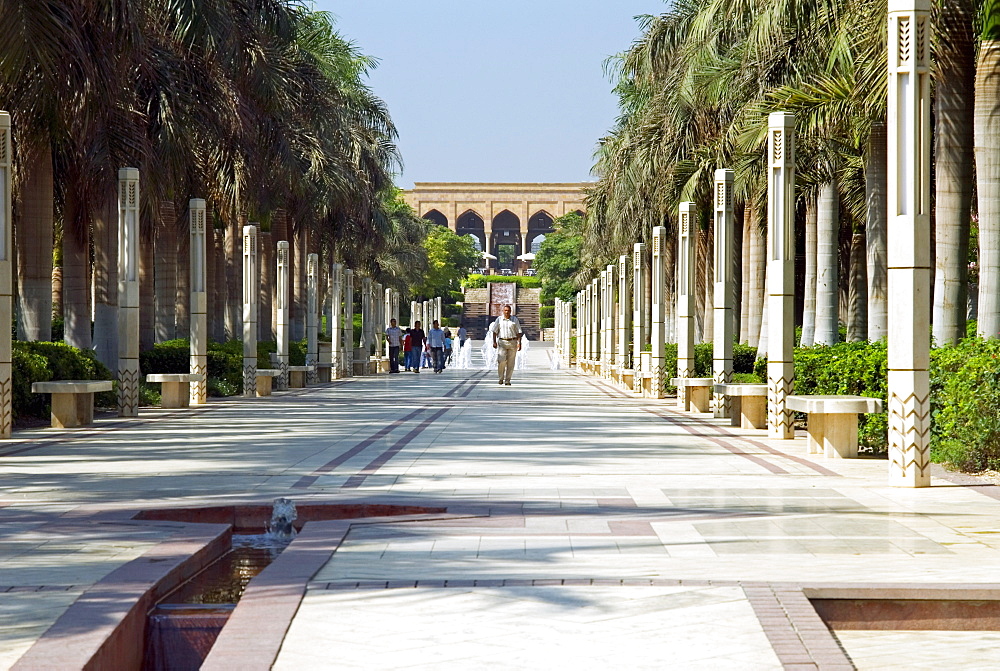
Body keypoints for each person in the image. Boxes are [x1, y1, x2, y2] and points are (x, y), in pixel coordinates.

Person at [491, 304, 522, 385]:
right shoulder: (499, 319)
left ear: (510, 311)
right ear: (503, 311)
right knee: (501, 361)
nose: (507, 312)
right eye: (505, 310)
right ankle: (501, 378)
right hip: (502, 342)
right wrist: (494, 342)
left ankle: (507, 380)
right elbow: (494, 331)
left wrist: (519, 343)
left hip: (512, 342)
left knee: (511, 363)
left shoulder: (514, 319)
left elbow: (519, 332)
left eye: (508, 310)